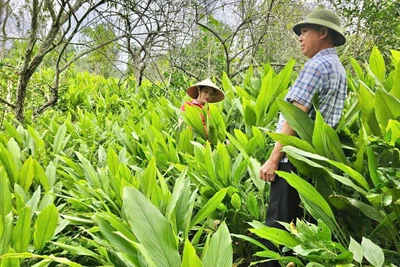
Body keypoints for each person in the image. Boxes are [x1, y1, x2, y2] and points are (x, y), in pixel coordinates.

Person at [258, 9, 347, 267]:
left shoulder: (317, 65)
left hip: (293, 160)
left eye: (305, 31)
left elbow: (296, 116)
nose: (299, 37)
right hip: (314, 164)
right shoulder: (337, 68)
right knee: (301, 235)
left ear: (323, 32)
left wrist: (274, 159)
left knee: (276, 231)